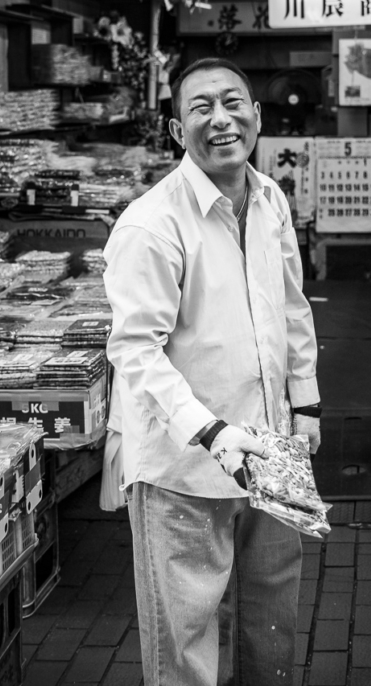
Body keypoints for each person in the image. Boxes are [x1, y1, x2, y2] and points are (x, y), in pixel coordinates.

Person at [102, 57, 321, 686]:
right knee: (186, 641)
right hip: (185, 462)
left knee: (272, 619)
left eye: (233, 103)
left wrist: (304, 404)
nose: (221, 120)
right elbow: (135, 351)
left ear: (256, 113)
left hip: (273, 448)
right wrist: (211, 431)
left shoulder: (270, 198)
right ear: (176, 129)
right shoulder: (152, 223)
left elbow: (291, 306)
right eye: (202, 108)